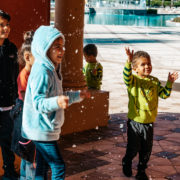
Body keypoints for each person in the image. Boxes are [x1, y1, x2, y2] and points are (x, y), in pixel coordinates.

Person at [21, 25, 90, 179]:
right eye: (57, 47)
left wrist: (78, 95)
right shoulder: (42, 71)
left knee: (42, 167)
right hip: (41, 130)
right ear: (44, 48)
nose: (62, 50)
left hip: (44, 130)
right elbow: (38, 103)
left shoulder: (51, 69)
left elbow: (59, 95)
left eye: (62, 46)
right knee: (58, 167)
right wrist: (57, 102)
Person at [122, 47, 178, 180]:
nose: (147, 66)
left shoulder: (154, 81)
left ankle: (141, 171)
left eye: (149, 63)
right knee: (133, 148)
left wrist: (169, 83)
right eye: (143, 64)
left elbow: (164, 95)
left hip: (149, 124)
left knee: (146, 150)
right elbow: (126, 76)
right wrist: (128, 61)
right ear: (135, 68)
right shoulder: (133, 81)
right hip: (135, 122)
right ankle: (127, 161)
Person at [11, 30, 35, 180]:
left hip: (27, 116)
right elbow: (29, 100)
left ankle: (24, 177)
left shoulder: (30, 73)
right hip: (27, 117)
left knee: (27, 154)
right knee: (30, 155)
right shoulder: (25, 75)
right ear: (27, 57)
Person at [0, 10, 19, 179]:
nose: (5, 28)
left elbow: (15, 76)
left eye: (7, 25)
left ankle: (9, 174)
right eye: (1, 25)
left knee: (7, 144)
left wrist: (16, 100)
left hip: (7, 107)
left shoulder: (12, 48)